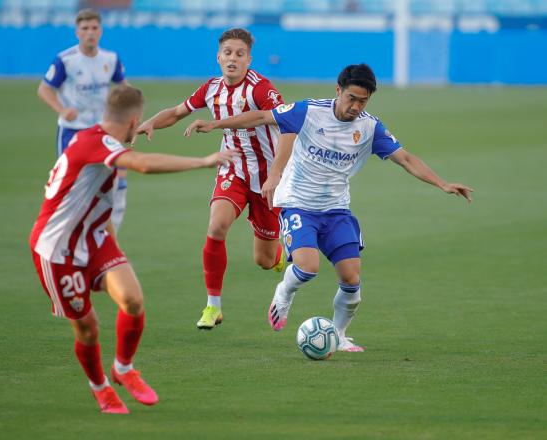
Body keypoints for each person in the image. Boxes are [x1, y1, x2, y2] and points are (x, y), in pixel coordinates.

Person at [185, 63, 473, 351]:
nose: (356, 106)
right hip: (298, 205)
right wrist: (215, 124)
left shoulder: (370, 127)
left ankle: (339, 334)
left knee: (352, 280)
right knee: (307, 268)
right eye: (351, 98)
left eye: (363, 101)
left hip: (336, 211)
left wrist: (442, 183)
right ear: (338, 91)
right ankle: (284, 292)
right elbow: (261, 116)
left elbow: (406, 159)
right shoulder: (309, 111)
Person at [29, 85, 234, 414]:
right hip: (57, 250)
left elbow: (95, 200)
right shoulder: (95, 144)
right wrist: (204, 160)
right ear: (133, 120)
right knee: (88, 328)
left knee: (133, 300)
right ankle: (101, 390)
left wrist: (113, 251)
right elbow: (144, 164)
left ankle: (123, 368)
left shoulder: (97, 138)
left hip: (95, 236)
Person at [136, 28, 286, 330]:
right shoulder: (211, 88)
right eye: (227, 53)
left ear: (249, 60)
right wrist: (152, 121)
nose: (233, 58)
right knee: (217, 226)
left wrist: (277, 173)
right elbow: (178, 112)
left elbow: (286, 124)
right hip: (232, 169)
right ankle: (212, 306)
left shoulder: (261, 90)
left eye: (239, 54)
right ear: (218, 57)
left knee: (264, 260)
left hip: (268, 177)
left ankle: (279, 255)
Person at [37, 8, 129, 233]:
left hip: (103, 131)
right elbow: (44, 89)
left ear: (101, 31)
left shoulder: (110, 58)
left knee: (115, 181)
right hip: (73, 131)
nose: (90, 33)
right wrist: (61, 108)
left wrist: (127, 108)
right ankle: (66, 232)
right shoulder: (66, 60)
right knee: (73, 186)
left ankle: (108, 238)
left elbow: (123, 86)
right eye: (85, 28)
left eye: (94, 28)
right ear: (77, 32)